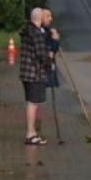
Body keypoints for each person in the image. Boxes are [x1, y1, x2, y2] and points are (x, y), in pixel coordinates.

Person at [18, 7, 55, 145]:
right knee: (33, 104)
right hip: (34, 73)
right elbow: (42, 55)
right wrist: (49, 58)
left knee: (32, 103)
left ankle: (32, 132)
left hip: (26, 73)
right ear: (39, 18)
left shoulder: (28, 30)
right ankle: (30, 134)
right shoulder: (36, 34)